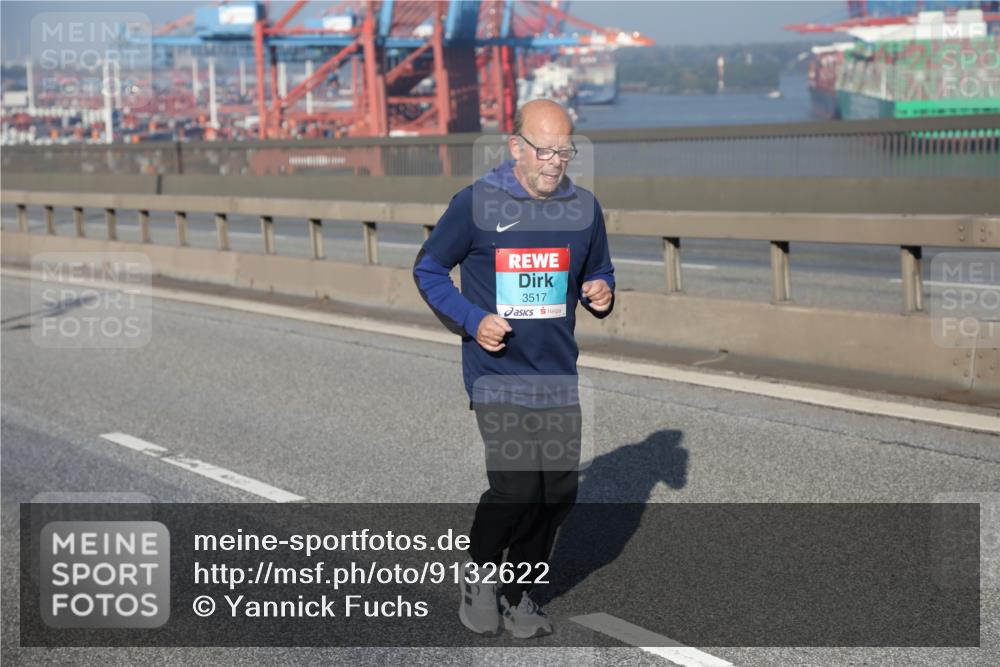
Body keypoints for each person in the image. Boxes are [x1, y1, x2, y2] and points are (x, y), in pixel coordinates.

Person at [412, 99, 615, 638]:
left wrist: (602, 291)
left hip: (557, 375)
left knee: (557, 494)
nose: (555, 162)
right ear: (516, 148)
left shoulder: (585, 208)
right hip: (497, 373)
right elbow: (429, 268)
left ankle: (520, 594)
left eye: (565, 150)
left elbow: (600, 269)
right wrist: (472, 319)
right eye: (545, 150)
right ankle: (480, 575)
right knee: (518, 486)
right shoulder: (476, 204)